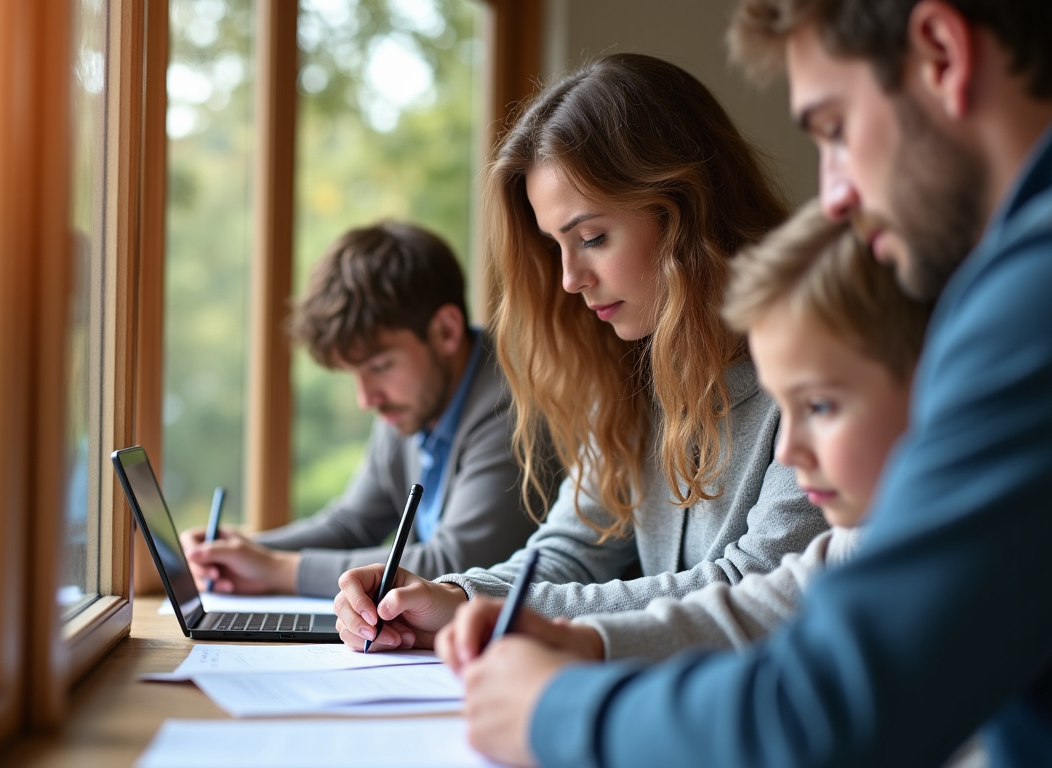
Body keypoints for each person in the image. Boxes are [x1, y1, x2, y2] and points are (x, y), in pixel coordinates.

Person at [455, 2, 1052, 767]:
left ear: (943, 53)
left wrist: (553, 712)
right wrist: (581, 638)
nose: (835, 198)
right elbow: (806, 595)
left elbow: (835, 705)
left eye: (832, 129)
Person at [330, 53, 827, 653]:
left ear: (686, 213)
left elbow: (757, 592)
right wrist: (454, 595)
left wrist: (501, 615)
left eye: (592, 238)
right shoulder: (625, 372)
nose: (568, 279)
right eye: (556, 245)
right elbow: (572, 549)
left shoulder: (821, 371)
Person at [436, 202, 930, 667]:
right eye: (553, 247)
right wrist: (469, 598)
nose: (787, 449)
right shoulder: (849, 545)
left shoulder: (928, 545)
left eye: (593, 237)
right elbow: (754, 608)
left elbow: (755, 613)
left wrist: (567, 696)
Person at [180, 221, 553, 598]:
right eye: (352, 373)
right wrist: (241, 550)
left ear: (446, 331)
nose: (366, 399)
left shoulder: (514, 407)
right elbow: (351, 525)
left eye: (378, 366)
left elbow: (455, 562)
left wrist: (278, 570)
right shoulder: (411, 404)